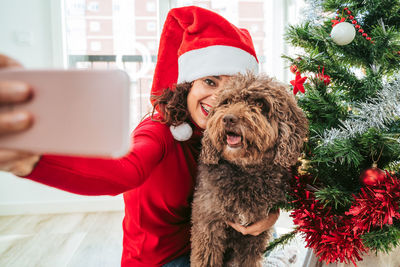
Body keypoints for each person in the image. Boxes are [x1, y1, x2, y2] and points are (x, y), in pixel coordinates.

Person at [0, 6, 280, 267]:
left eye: (231, 90)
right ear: (188, 85)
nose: (219, 97)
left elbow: (268, 176)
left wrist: (271, 214)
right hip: (159, 261)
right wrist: (32, 159)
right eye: (210, 81)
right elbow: (124, 171)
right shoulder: (159, 132)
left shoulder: (229, 137)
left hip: (211, 252)